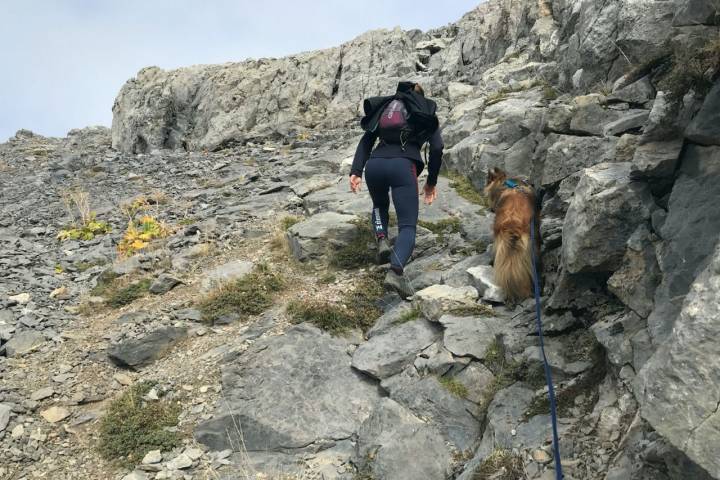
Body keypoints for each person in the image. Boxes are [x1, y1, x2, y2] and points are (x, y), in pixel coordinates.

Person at [349, 82, 444, 298]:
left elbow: (366, 141)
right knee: (407, 226)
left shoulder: (386, 107)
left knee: (379, 204)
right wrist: (431, 182)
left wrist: (356, 171)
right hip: (403, 166)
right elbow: (437, 147)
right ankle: (395, 272)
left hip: (374, 165)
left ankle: (381, 238)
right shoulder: (424, 109)